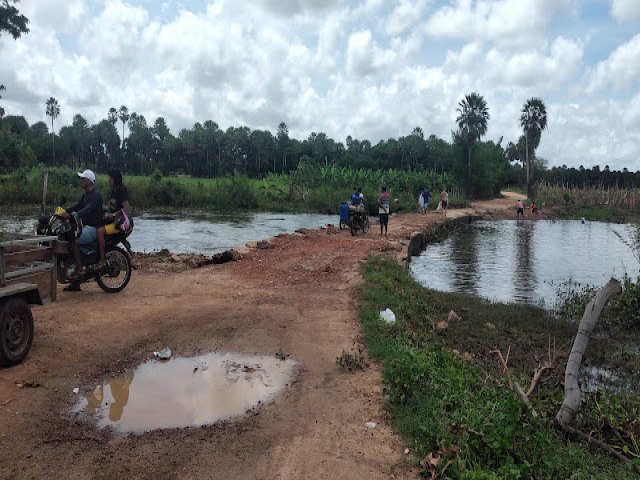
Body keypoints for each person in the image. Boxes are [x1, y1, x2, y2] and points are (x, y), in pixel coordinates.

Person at [63, 169, 103, 283]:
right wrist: (63, 212)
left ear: (89, 181)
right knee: (65, 236)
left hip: (93, 229)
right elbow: (77, 206)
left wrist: (71, 216)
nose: (80, 181)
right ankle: (75, 279)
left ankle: (79, 268)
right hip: (85, 227)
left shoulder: (96, 196)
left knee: (72, 238)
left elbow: (87, 209)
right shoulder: (86, 196)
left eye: (82, 179)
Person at [96, 169, 132, 270]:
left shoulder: (122, 190)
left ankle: (102, 260)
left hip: (120, 223)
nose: (108, 180)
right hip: (113, 221)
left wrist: (113, 215)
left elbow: (126, 208)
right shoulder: (113, 191)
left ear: (114, 179)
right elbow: (111, 207)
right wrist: (106, 213)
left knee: (100, 232)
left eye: (110, 178)